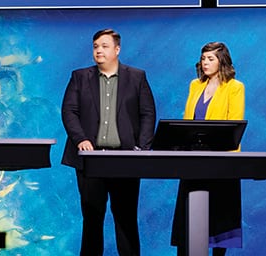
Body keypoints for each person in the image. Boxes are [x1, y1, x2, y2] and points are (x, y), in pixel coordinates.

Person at [61, 28, 156, 256]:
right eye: (95, 47)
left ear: (117, 49)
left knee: (126, 218)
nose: (98, 51)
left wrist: (141, 149)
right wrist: (81, 139)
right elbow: (69, 111)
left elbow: (148, 113)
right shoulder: (79, 77)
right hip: (90, 162)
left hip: (125, 160)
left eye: (104, 46)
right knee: (92, 219)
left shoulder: (137, 76)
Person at [170, 41, 245, 255]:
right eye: (203, 58)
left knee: (219, 218)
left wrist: (228, 161)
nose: (205, 62)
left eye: (210, 58)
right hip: (193, 160)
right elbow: (187, 121)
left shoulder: (235, 87)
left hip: (222, 162)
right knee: (188, 217)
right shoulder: (195, 85)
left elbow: (235, 124)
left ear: (222, 61)